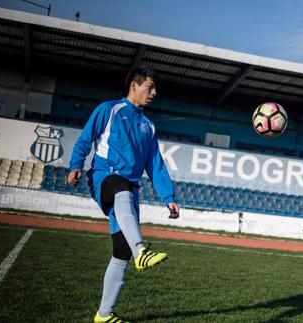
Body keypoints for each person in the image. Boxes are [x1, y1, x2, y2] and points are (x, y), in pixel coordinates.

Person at [67, 66, 180, 323]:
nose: (154, 92)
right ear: (134, 86)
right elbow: (86, 139)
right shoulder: (109, 109)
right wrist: (76, 165)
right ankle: (141, 251)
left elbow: (155, 164)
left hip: (129, 191)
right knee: (121, 185)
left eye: (155, 89)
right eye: (149, 87)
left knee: (120, 252)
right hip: (104, 177)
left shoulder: (148, 126)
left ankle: (104, 315)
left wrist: (168, 196)